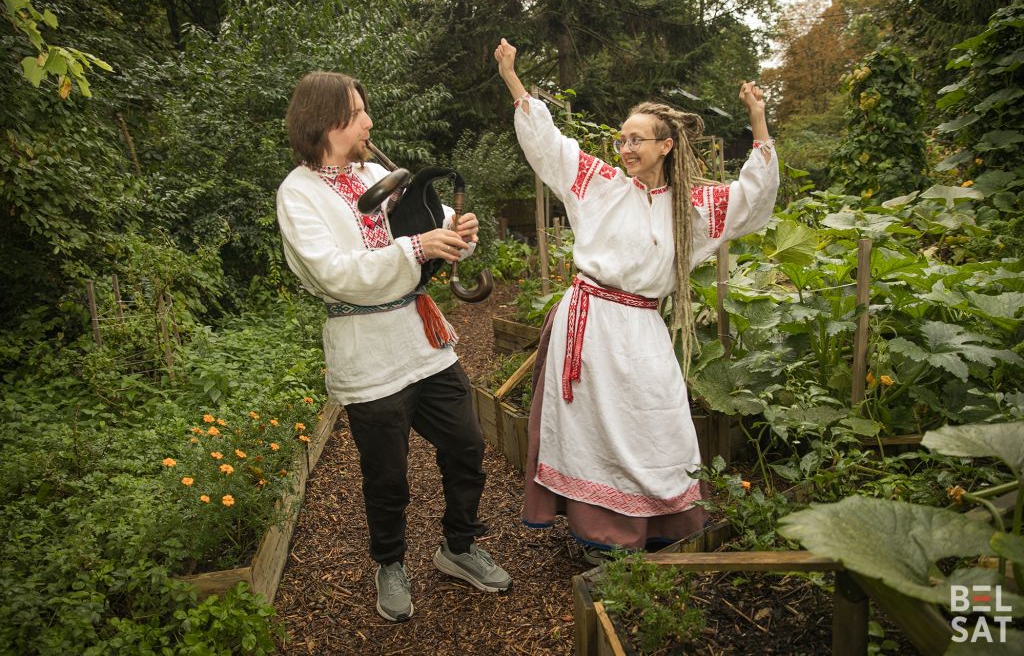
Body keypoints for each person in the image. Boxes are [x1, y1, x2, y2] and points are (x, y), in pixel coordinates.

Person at [493, 39, 779, 561]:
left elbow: (752, 197)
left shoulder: (692, 206)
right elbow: (549, 145)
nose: (625, 149)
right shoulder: (600, 185)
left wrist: (758, 120)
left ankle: (663, 522)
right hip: (590, 323)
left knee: (658, 416)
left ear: (666, 146)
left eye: (636, 140)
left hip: (643, 326)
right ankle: (602, 539)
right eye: (622, 139)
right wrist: (512, 77)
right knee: (592, 429)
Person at [276, 71, 512, 622]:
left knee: (467, 443)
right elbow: (335, 273)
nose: (368, 122)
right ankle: (390, 563)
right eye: (358, 112)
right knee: (387, 475)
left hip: (421, 340)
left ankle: (459, 546)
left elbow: (428, 225)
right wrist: (416, 247)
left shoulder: (377, 173)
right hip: (367, 352)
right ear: (326, 121)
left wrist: (457, 232)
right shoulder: (298, 194)